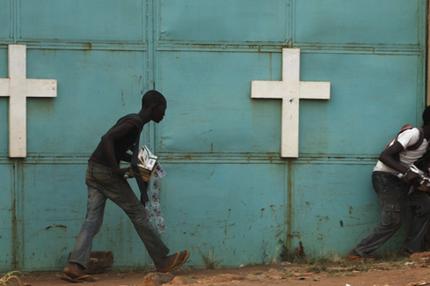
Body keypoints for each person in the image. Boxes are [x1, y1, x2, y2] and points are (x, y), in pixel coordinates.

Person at [63, 90, 189, 281]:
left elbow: (119, 151)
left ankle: (75, 266)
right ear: (153, 107)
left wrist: (142, 187)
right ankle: (162, 260)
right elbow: (107, 139)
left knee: (92, 221)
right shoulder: (134, 123)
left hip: (94, 170)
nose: (164, 114)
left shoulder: (131, 121)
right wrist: (115, 170)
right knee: (138, 213)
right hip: (105, 173)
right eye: (163, 109)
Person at [348, 106, 430, 259]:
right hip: (385, 178)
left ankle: (410, 252)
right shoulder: (413, 134)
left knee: (425, 206)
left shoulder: (427, 142)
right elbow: (385, 156)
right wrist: (407, 172)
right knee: (393, 220)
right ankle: (358, 253)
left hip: (404, 180)